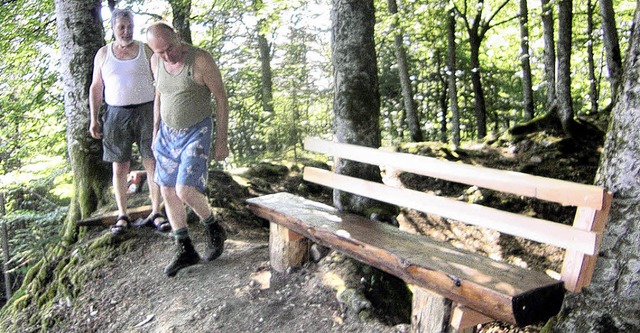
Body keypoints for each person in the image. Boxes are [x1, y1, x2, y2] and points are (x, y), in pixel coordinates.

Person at [146, 22, 229, 277]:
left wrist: (221, 141)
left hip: (197, 131)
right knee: (167, 189)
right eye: (160, 52)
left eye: (170, 48)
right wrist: (155, 130)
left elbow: (221, 98)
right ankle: (185, 247)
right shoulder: (156, 62)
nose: (167, 55)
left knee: (185, 189)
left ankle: (213, 226)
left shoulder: (200, 60)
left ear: (177, 37)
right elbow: (159, 95)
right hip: (167, 134)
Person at [89, 9, 170, 234]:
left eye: (129, 26)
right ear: (113, 28)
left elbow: (162, 80)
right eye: (121, 27)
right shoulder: (104, 54)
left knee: (152, 161)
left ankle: (157, 211)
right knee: (119, 166)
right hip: (116, 114)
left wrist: (166, 112)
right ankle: (122, 214)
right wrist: (93, 119)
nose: (126, 31)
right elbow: (96, 87)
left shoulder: (146, 49)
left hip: (147, 111)